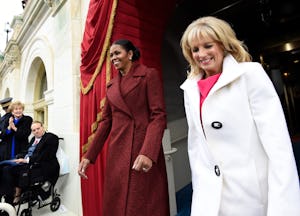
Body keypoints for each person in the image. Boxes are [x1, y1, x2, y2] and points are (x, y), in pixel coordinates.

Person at [180, 16, 300, 216]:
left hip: (250, 195)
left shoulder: (250, 74)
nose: (201, 54)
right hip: (211, 196)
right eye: (195, 49)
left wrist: (283, 207)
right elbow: (196, 149)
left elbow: (277, 145)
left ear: (223, 44)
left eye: (208, 46)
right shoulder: (190, 88)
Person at [78, 39, 169, 216]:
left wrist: (148, 152)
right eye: (111, 55)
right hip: (118, 153)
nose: (113, 58)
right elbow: (105, 123)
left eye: (117, 53)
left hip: (142, 150)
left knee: (145, 205)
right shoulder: (111, 86)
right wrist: (89, 156)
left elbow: (158, 116)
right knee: (118, 205)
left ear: (130, 54)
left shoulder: (148, 75)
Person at [0, 121, 60, 204]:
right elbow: (26, 151)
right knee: (3, 166)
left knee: (7, 170)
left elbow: (45, 155)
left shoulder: (51, 137)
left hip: (40, 165)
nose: (36, 131)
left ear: (43, 127)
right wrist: (18, 157)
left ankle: (11, 196)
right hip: (27, 162)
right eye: (34, 130)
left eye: (38, 128)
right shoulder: (33, 139)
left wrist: (26, 160)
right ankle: (7, 194)